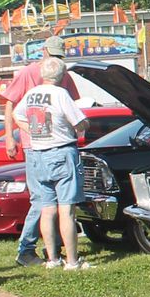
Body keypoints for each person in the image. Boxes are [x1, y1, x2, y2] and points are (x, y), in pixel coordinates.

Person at [1, 35, 82, 267]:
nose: (56, 59)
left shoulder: (62, 73)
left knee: (50, 203)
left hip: (51, 142)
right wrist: (10, 137)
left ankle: (52, 251)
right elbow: (11, 104)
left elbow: (72, 103)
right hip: (35, 145)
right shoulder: (28, 73)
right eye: (54, 54)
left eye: (60, 55)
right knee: (46, 203)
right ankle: (26, 249)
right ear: (44, 50)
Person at [17, 56, 89, 269]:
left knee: (47, 209)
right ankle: (72, 261)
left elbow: (16, 114)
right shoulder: (60, 94)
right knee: (66, 209)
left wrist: (31, 130)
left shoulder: (31, 94)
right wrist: (85, 122)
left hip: (38, 153)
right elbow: (77, 122)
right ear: (62, 75)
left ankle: (52, 259)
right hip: (61, 152)